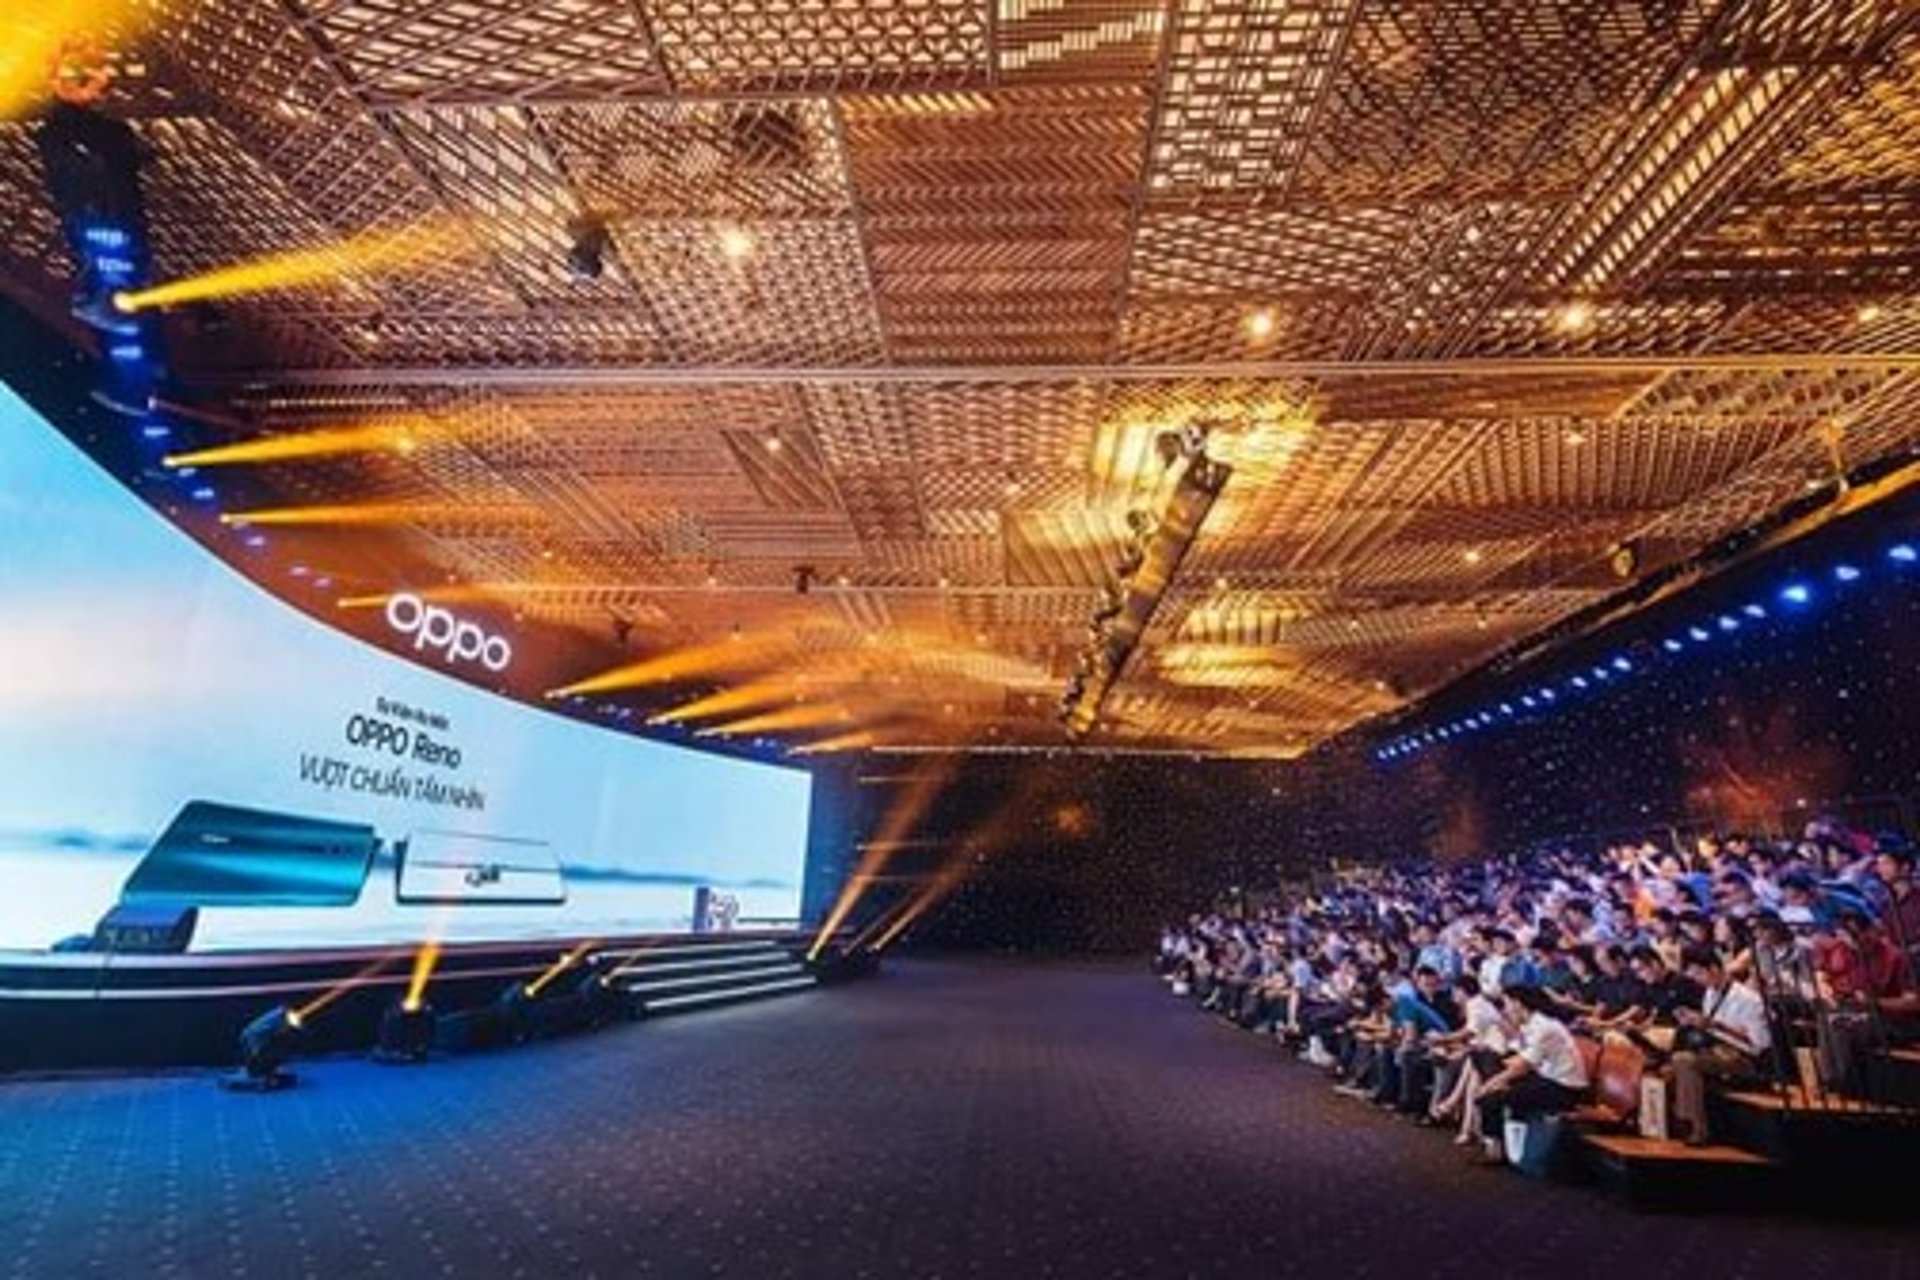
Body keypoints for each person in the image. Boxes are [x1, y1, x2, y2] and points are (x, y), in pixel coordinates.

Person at [1472, 986, 1591, 1166]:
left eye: (1507, 1004)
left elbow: (1521, 1067)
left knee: (1489, 1098)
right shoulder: (1533, 1024)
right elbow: (1517, 1057)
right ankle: (1503, 1144)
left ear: (1518, 1004)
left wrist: (1489, 1085)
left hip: (1565, 1089)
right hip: (1548, 1079)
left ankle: (1495, 1151)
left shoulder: (1544, 1027)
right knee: (1486, 1062)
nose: (1505, 1010)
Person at [1669, 947, 1771, 1146]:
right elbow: (1711, 1030)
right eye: (1694, 976)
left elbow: (1760, 1045)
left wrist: (1715, 1025)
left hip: (1744, 1058)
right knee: (1674, 1060)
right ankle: (1684, 1121)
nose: (1698, 980)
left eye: (1699, 974)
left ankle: (1695, 1128)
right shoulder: (1710, 993)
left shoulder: (1749, 999)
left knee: (1684, 1060)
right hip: (1717, 1050)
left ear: (1714, 968)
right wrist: (1695, 1022)